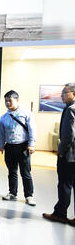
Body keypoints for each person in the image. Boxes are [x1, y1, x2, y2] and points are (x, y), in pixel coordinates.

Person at [0, 90, 37, 206]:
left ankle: (29, 195)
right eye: (6, 101)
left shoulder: (26, 113)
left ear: (17, 100)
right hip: (9, 147)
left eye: (10, 100)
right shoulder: (4, 117)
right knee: (12, 172)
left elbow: (32, 129)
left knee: (25, 172)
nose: (8, 103)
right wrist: (1, 146)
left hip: (23, 146)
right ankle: (12, 193)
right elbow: (1, 133)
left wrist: (31, 144)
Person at [43, 83, 75, 226]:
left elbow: (68, 136)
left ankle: (60, 214)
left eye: (65, 92)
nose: (62, 95)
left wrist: (61, 152)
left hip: (69, 156)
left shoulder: (70, 110)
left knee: (64, 185)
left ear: (73, 93)